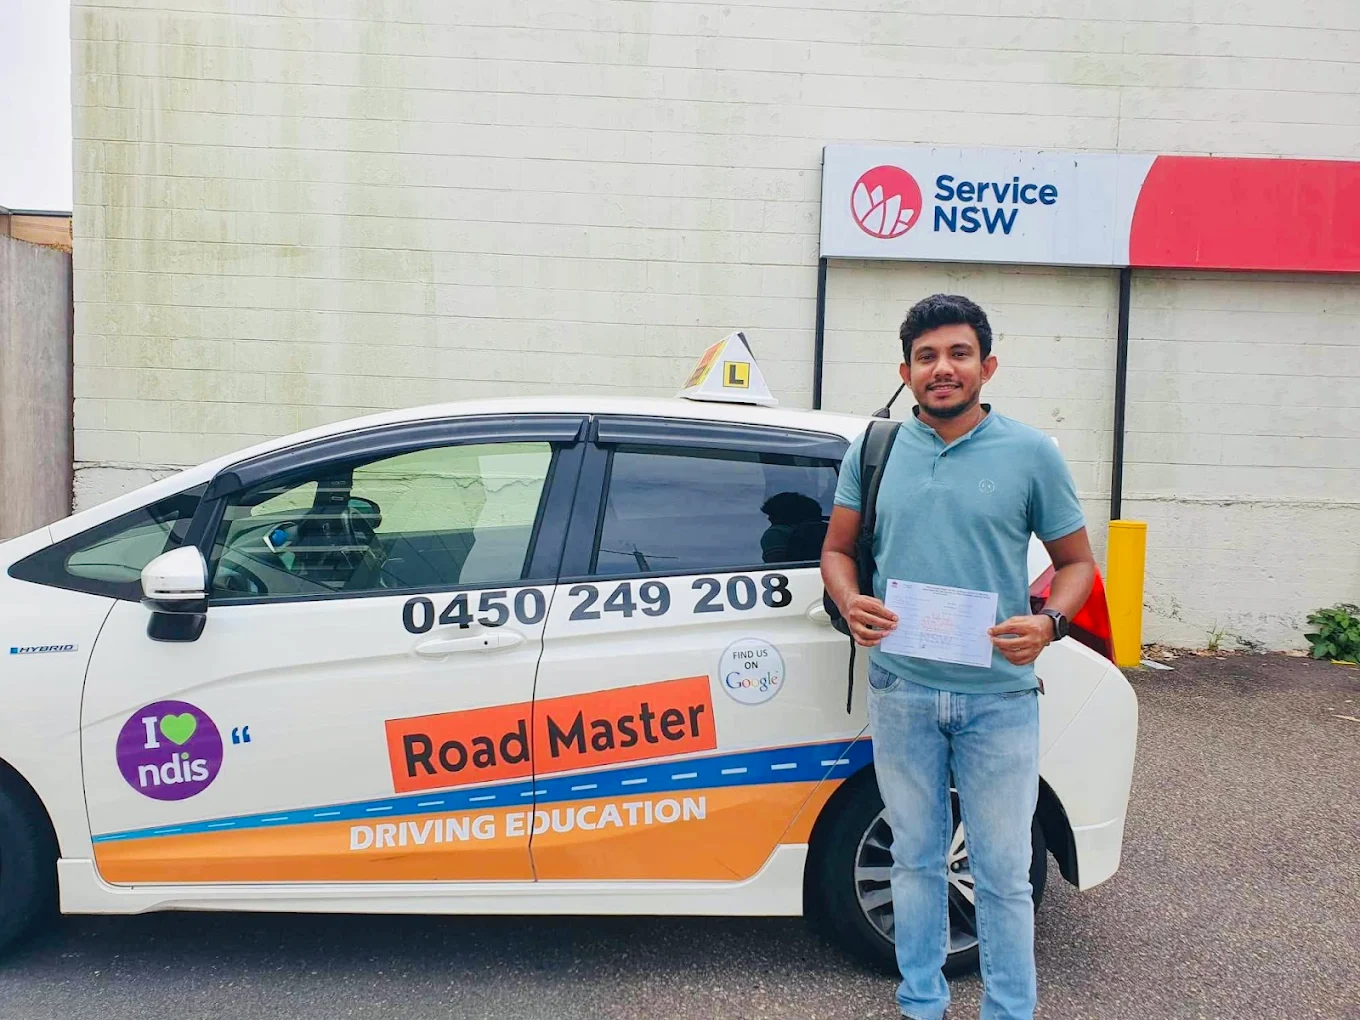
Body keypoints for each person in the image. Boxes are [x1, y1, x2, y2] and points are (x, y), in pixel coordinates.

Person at [820, 294, 1095, 1020]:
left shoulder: (1030, 454)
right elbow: (837, 550)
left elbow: (1076, 564)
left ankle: (1008, 1009)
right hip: (902, 687)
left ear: (987, 365)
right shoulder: (874, 451)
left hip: (998, 698)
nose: (942, 368)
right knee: (914, 860)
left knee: (1003, 872)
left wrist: (1050, 624)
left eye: (958, 354)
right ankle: (921, 1003)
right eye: (927, 356)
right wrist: (851, 602)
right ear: (906, 370)